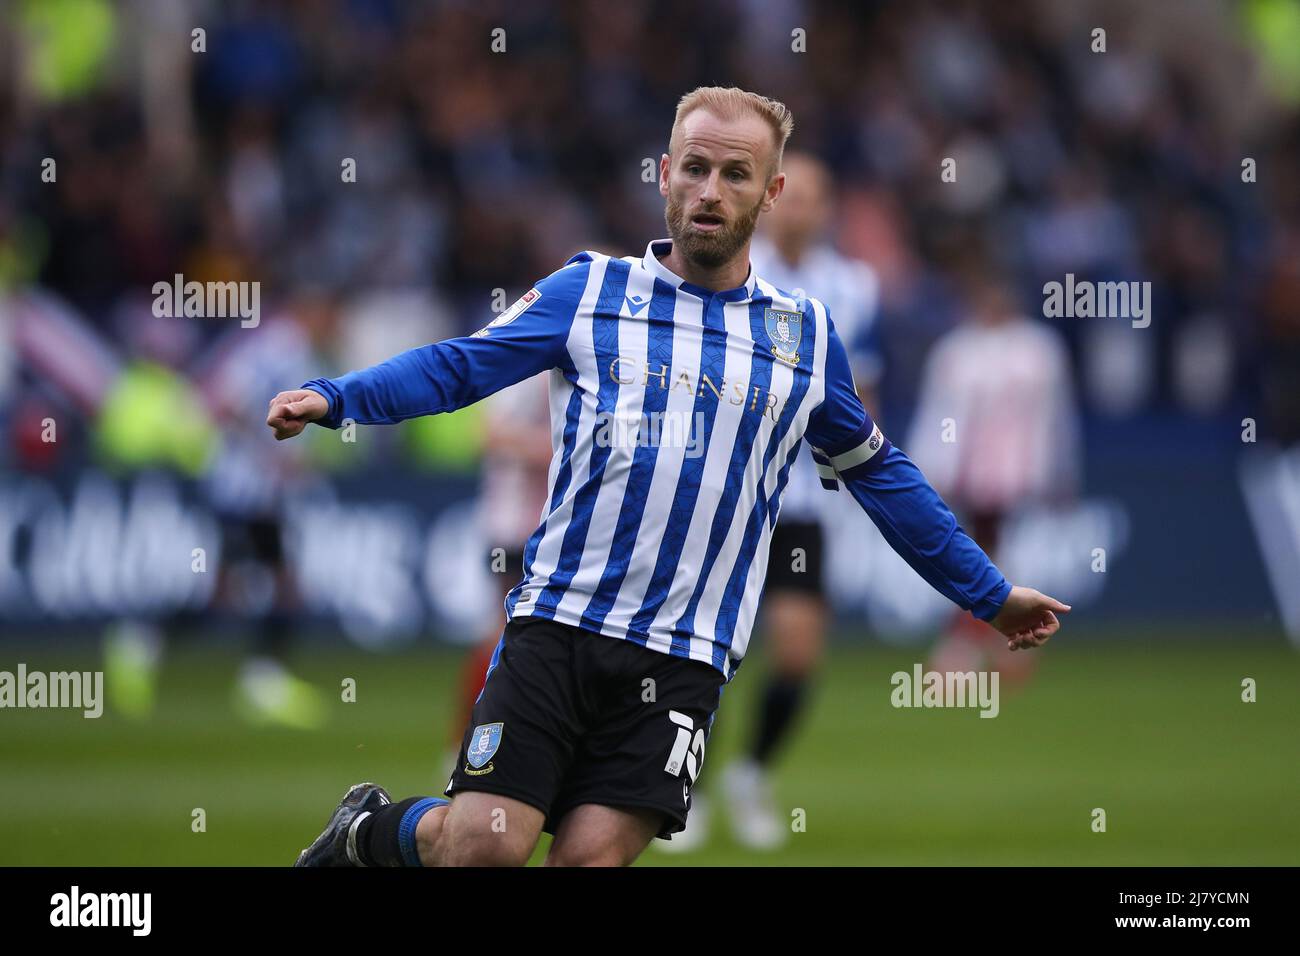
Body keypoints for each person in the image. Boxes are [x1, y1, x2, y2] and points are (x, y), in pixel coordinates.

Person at [270, 87, 1069, 868]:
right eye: (694, 169)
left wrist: (989, 596)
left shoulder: (803, 336)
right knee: (485, 846)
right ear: (663, 175)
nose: (710, 192)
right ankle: (365, 835)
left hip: (685, 658)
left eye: (735, 175)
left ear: (772, 193)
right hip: (560, 626)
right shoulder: (591, 292)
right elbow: (458, 368)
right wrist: (338, 399)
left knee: (586, 860)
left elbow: (882, 477)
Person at [670, 151, 885, 852]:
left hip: (803, 506)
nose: (800, 210)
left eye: (816, 200)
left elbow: (863, 394)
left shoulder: (853, 288)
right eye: (792, 198)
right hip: (724, 495)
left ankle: (751, 773)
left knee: (795, 653)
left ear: (825, 210)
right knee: (700, 653)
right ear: (770, 201)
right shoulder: (730, 269)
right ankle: (685, 787)